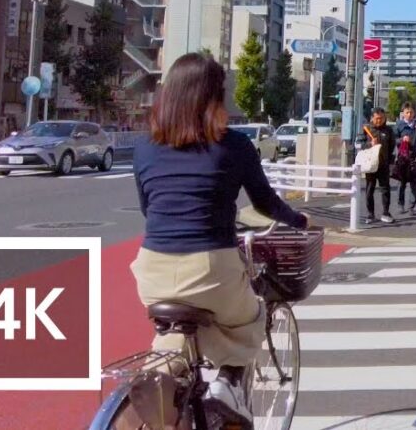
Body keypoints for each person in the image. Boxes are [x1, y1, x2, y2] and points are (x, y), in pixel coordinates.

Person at [130, 53, 308, 425]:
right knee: (251, 317)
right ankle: (227, 382)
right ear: (212, 97)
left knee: (174, 337)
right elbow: (265, 202)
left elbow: (150, 208)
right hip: (210, 266)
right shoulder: (233, 145)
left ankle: (157, 383)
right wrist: (298, 219)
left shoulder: (145, 148)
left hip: (153, 270)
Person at [363, 108, 395, 224]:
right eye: (377, 118)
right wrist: (369, 144)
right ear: (372, 118)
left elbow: (392, 146)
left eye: (382, 118)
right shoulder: (366, 129)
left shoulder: (389, 130)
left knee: (385, 189)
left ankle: (386, 212)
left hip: (383, 165)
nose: (379, 120)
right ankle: (370, 214)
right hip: (370, 165)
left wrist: (390, 161)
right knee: (369, 189)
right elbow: (358, 144)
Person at [394, 103, 416, 215]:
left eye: (411, 112)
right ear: (403, 113)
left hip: (415, 157)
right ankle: (400, 204)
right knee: (401, 183)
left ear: (414, 113)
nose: (409, 114)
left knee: (414, 183)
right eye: (407, 112)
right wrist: (402, 139)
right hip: (403, 157)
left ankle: (411, 206)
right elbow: (394, 139)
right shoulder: (399, 125)